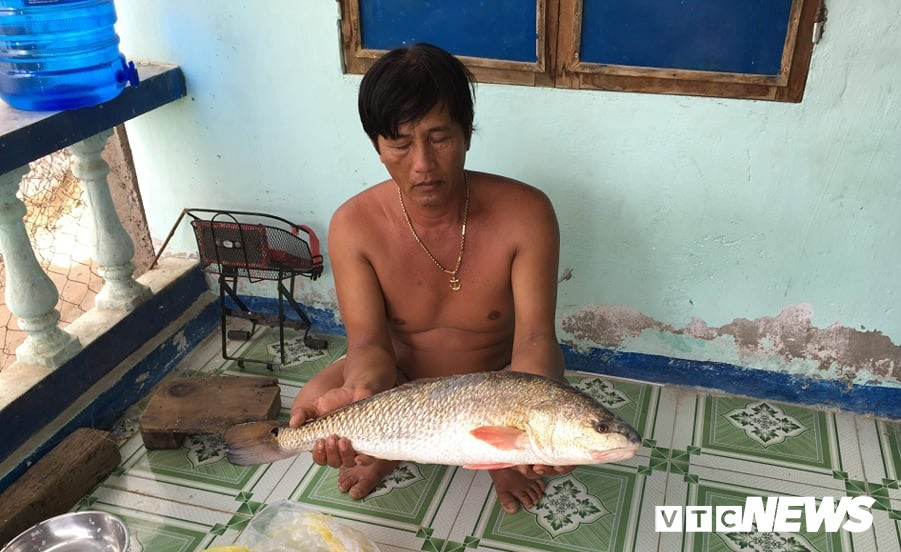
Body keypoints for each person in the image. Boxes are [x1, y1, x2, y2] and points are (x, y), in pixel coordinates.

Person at [289, 43, 569, 514]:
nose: (422, 164)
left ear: (467, 134)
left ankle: (499, 457)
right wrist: (362, 399)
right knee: (315, 402)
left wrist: (531, 424)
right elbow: (370, 346)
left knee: (553, 424)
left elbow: (537, 336)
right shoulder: (354, 225)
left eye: (439, 138)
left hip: (494, 389)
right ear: (377, 145)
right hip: (399, 385)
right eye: (400, 143)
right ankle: (384, 445)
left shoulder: (527, 213)